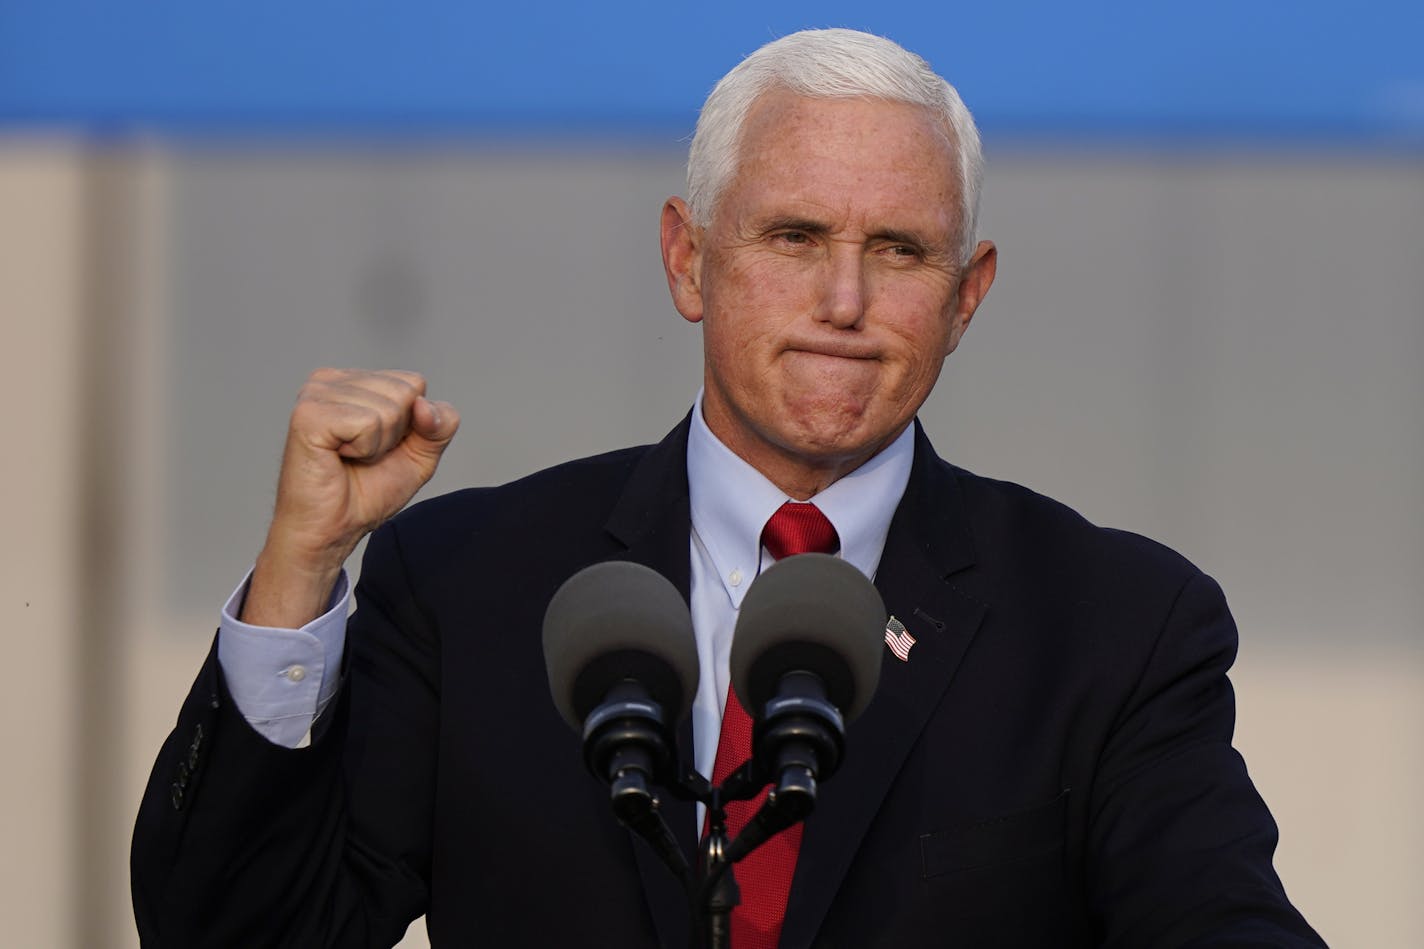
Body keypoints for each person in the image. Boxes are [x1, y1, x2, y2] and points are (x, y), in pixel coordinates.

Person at [132, 28, 1323, 948]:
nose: (844, 303)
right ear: (687, 260)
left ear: (967, 297)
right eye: (794, 236)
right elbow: (240, 931)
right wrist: (299, 574)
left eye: (900, 251)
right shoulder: (469, 582)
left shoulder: (1112, 622)